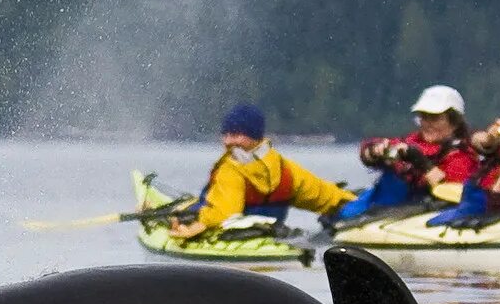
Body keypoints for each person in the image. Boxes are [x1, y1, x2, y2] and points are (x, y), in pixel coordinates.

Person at [163, 103, 353, 238]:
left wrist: (196, 224)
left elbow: (225, 213)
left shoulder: (231, 169)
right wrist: (350, 202)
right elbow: (326, 196)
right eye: (226, 135)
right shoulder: (283, 167)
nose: (228, 141)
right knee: (186, 207)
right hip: (269, 233)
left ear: (254, 135)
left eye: (235, 135)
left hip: (233, 232)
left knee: (182, 212)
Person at [330, 84, 480, 221]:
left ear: (454, 122)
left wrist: (421, 163)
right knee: (345, 212)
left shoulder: (462, 155)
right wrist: (375, 151)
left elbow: (451, 192)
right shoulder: (412, 140)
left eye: (434, 118)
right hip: (382, 205)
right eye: (424, 117)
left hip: (421, 212)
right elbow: (367, 150)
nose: (427, 124)